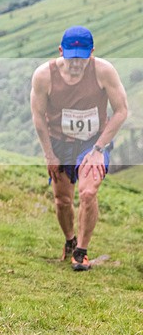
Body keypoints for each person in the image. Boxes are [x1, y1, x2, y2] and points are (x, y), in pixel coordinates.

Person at [30, 26, 128, 271]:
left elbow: (121, 111)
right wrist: (49, 154)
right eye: (72, 58)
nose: (76, 64)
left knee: (87, 192)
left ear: (92, 52)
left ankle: (81, 252)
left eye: (82, 58)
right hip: (59, 142)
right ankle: (70, 241)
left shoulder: (104, 72)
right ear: (61, 51)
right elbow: (38, 117)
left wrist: (98, 149)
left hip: (92, 142)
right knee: (62, 200)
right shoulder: (44, 75)